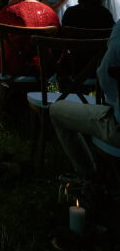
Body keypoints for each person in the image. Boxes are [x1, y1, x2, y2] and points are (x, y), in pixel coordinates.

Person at [50, 17, 120, 175]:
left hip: (116, 129)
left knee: (56, 110)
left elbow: (105, 76)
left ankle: (88, 177)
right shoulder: (106, 16)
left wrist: (113, 102)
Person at [0, 0, 59, 116]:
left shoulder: (10, 11)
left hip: (14, 67)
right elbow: (57, 41)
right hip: (44, 67)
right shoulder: (50, 12)